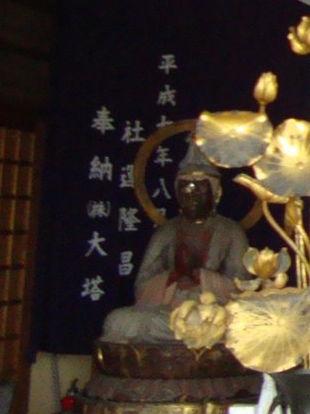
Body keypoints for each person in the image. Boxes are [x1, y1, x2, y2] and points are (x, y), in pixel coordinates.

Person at [100, 146, 249, 344]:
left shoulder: (230, 231)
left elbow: (243, 285)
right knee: (118, 321)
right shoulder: (166, 232)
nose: (191, 199)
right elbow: (141, 285)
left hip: (212, 310)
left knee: (235, 322)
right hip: (168, 310)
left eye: (198, 193)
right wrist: (172, 276)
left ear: (216, 194)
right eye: (185, 193)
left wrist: (202, 276)